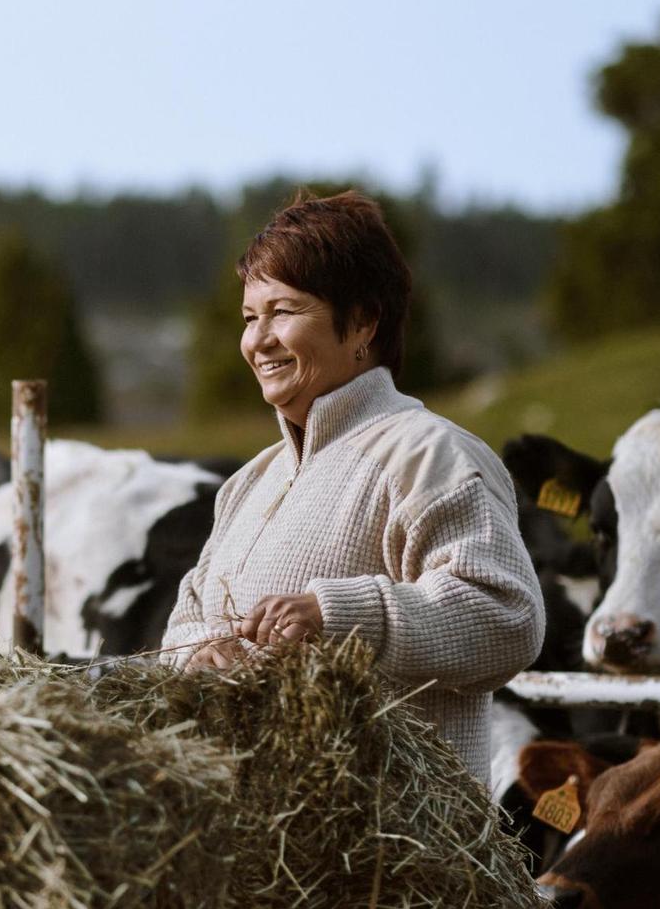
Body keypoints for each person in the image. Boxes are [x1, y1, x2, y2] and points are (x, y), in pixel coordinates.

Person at [162, 191, 542, 790]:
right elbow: (181, 626)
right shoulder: (247, 485)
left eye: (283, 311)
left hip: (397, 869)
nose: (258, 340)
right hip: (264, 863)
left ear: (363, 321)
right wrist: (202, 654)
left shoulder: (431, 455)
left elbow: (508, 618)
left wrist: (335, 616)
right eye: (248, 316)